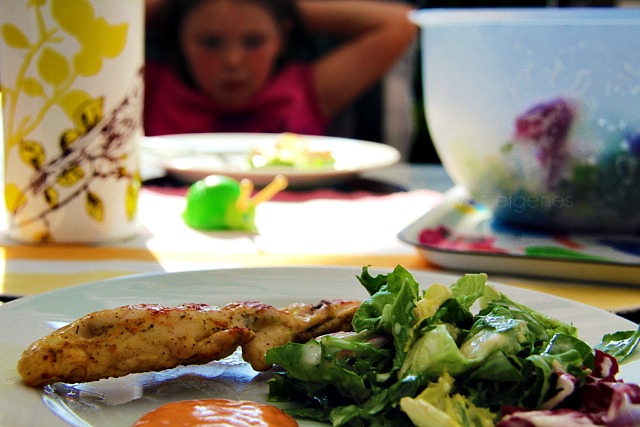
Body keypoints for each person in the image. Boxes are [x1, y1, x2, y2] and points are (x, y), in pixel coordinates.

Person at [143, 0, 417, 137]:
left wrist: (282, 6)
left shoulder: (307, 91)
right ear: (179, 38)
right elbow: (112, 19)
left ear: (282, 36)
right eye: (210, 42)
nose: (233, 61)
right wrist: (173, 7)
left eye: (254, 41)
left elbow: (401, 22)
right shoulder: (145, 88)